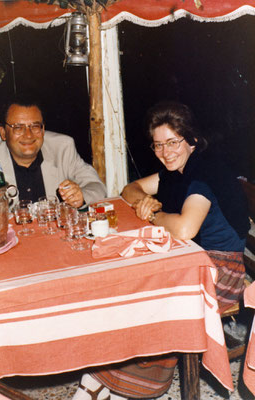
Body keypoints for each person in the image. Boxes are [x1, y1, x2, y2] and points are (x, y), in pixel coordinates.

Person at [72, 101, 250, 400]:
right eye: (158, 146)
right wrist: (145, 199)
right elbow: (128, 190)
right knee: (129, 281)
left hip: (221, 269)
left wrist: (151, 214)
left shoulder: (204, 172)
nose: (165, 152)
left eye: (172, 143)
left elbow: (183, 229)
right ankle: (104, 376)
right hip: (191, 256)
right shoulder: (174, 170)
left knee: (158, 302)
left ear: (191, 140)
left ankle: (120, 386)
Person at [0, 95, 106, 207]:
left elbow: (96, 186)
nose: (28, 135)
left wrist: (81, 196)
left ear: (42, 129)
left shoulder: (62, 147)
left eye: (35, 126)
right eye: (18, 128)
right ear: (3, 133)